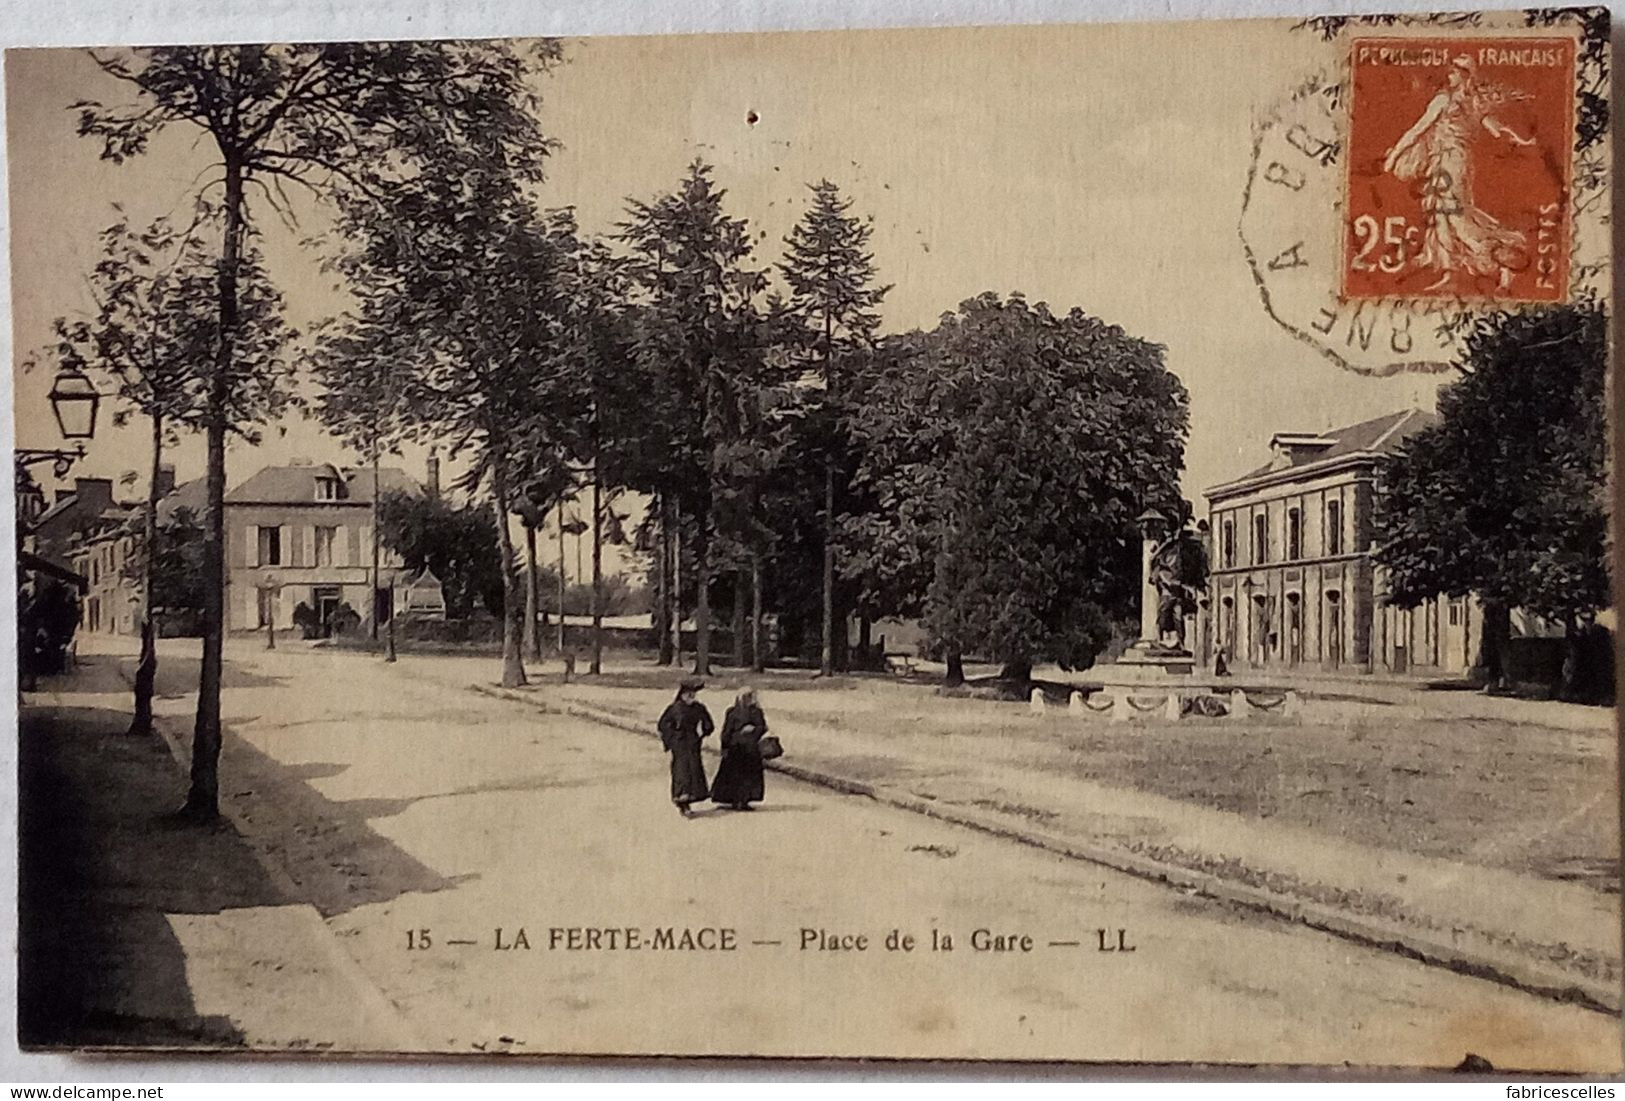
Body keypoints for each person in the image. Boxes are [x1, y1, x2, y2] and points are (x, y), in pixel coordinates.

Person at [658, 676, 713, 817]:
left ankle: (691, 797)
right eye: (688, 694)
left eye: (693, 695)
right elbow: (663, 724)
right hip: (679, 744)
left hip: (693, 742)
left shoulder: (699, 708)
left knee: (694, 770)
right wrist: (671, 739)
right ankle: (682, 801)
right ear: (682, 694)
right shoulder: (674, 708)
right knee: (681, 771)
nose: (691, 697)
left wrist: (703, 733)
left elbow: (708, 723)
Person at [711, 687, 768, 811]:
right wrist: (725, 746)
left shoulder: (756, 712)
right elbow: (726, 731)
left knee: (747, 776)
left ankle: (744, 800)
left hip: (750, 748)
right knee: (736, 775)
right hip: (736, 748)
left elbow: (763, 727)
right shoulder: (732, 712)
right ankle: (736, 800)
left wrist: (753, 729)